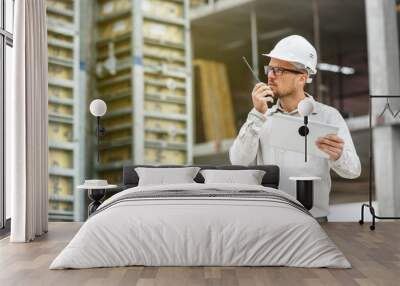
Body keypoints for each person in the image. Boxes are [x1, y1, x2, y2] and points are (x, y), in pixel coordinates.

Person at [229, 35, 361, 219]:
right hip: (270, 222)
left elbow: (353, 170)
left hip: (314, 222)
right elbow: (238, 162)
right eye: (270, 68)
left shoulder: (328, 117)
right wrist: (257, 114)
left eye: (279, 70)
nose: (270, 75)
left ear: (302, 78)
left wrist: (338, 156)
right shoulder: (261, 118)